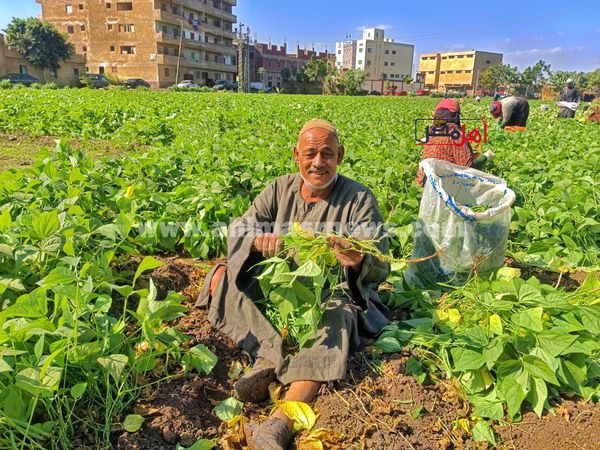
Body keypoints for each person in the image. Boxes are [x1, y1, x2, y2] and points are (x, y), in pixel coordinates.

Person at [196, 119, 390, 450]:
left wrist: (357, 258)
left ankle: (279, 423)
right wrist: (258, 241)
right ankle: (271, 358)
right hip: (279, 288)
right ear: (296, 155)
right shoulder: (279, 188)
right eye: (311, 153)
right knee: (221, 277)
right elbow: (240, 227)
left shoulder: (358, 198)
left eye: (327, 154)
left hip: (328, 292)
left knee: (338, 314)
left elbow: (379, 258)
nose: (318, 163)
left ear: (340, 156)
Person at [415, 99, 494, 186]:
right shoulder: (456, 136)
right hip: (444, 189)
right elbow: (467, 170)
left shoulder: (431, 135)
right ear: (455, 116)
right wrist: (485, 157)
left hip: (422, 186)